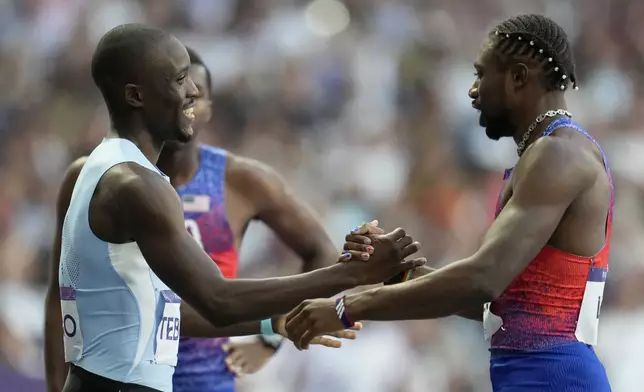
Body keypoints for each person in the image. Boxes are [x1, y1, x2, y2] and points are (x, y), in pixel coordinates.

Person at [43, 24, 425, 392]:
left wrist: (270, 327)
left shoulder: (103, 167)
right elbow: (218, 301)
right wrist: (352, 274)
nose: (193, 90)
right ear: (136, 96)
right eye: (178, 80)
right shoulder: (136, 186)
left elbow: (169, 312)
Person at [285, 14, 613, 392]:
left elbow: (482, 280)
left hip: (555, 380)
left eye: (480, 74)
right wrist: (395, 273)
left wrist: (347, 306)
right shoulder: (548, 156)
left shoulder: (558, 156)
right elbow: (504, 309)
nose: (472, 91)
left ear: (519, 77)